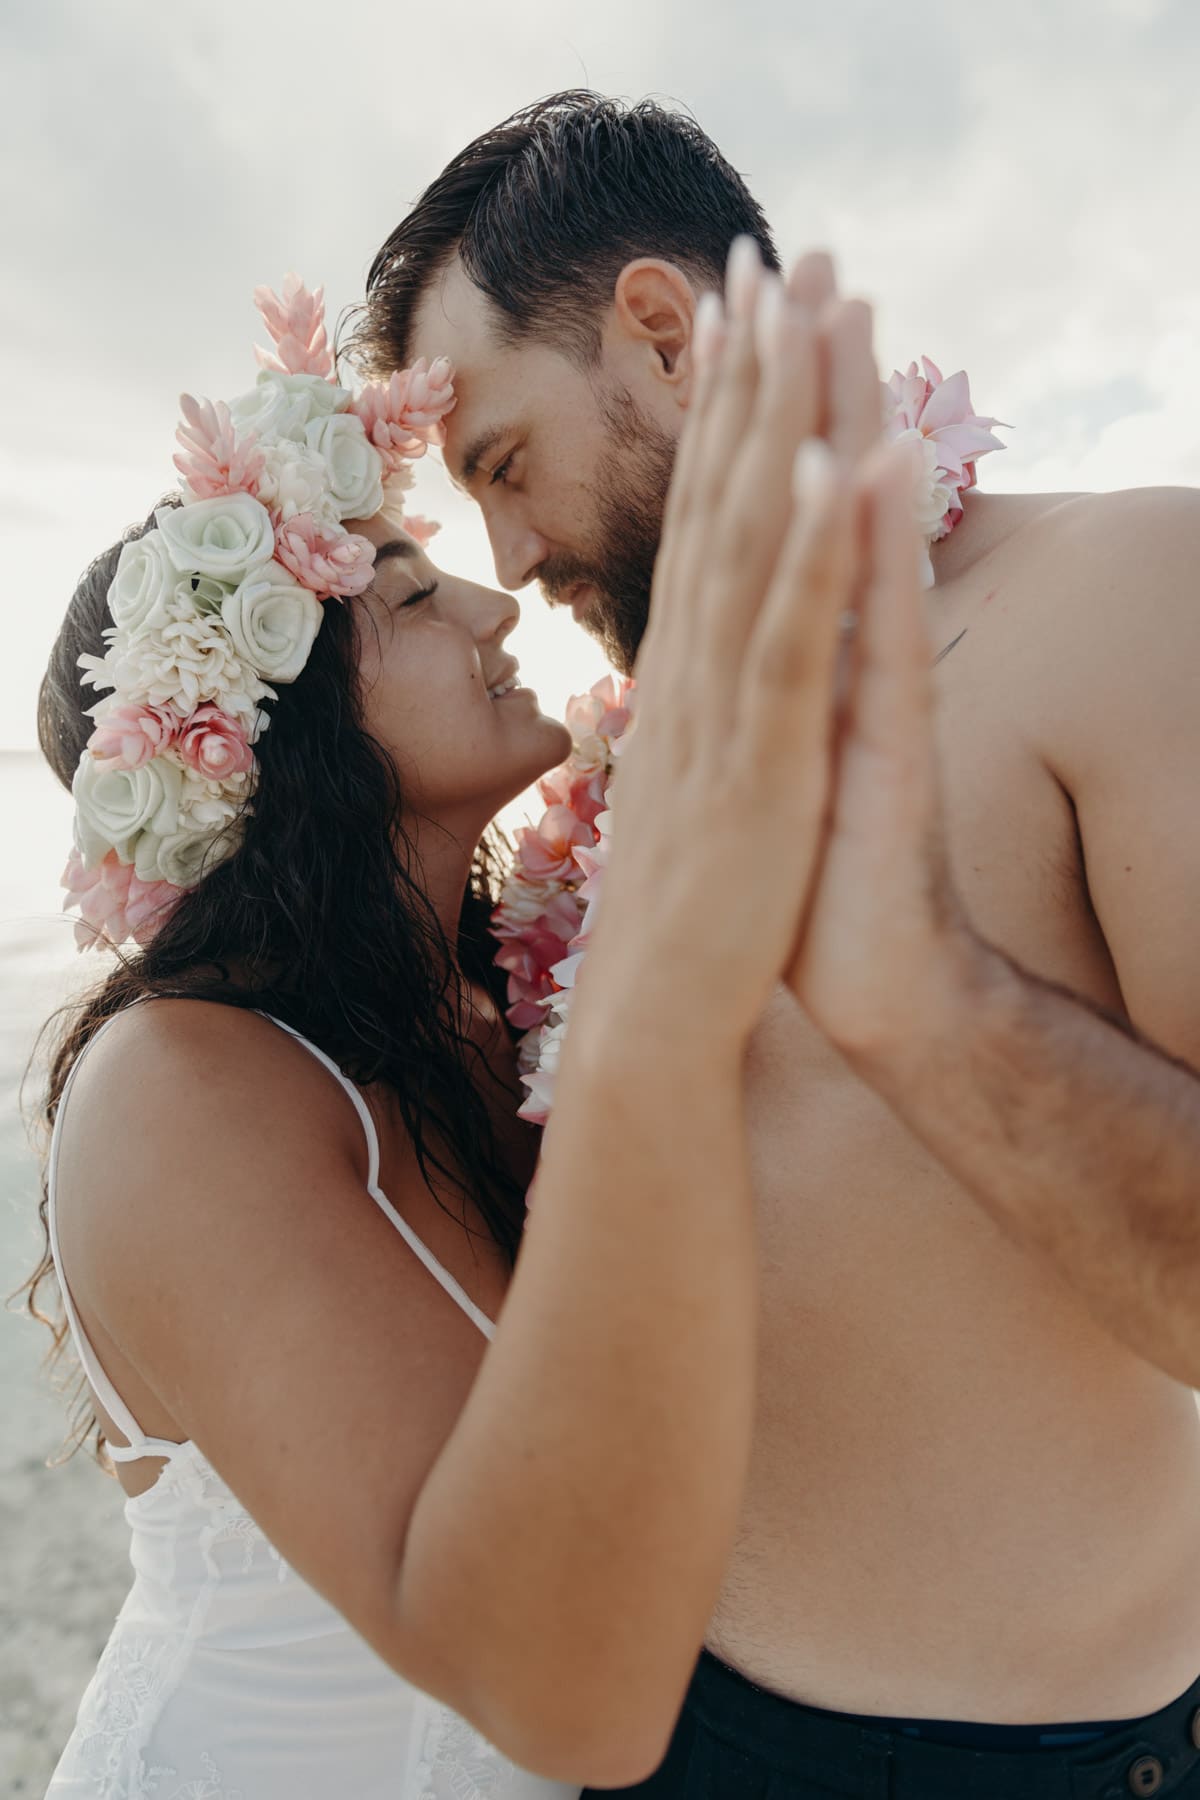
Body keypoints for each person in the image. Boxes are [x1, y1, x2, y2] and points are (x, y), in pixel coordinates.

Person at [357, 90, 1200, 1798]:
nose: (508, 556)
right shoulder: (641, 758)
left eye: (504, 466)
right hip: (674, 1728)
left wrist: (925, 1000)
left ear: (663, 335)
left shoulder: (1129, 591)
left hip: (1028, 1762)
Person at [22, 269, 895, 1797]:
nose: (498, 605)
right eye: (417, 597)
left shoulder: (500, 1002)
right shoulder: (183, 1082)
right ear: (279, 727)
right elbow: (556, 1656)